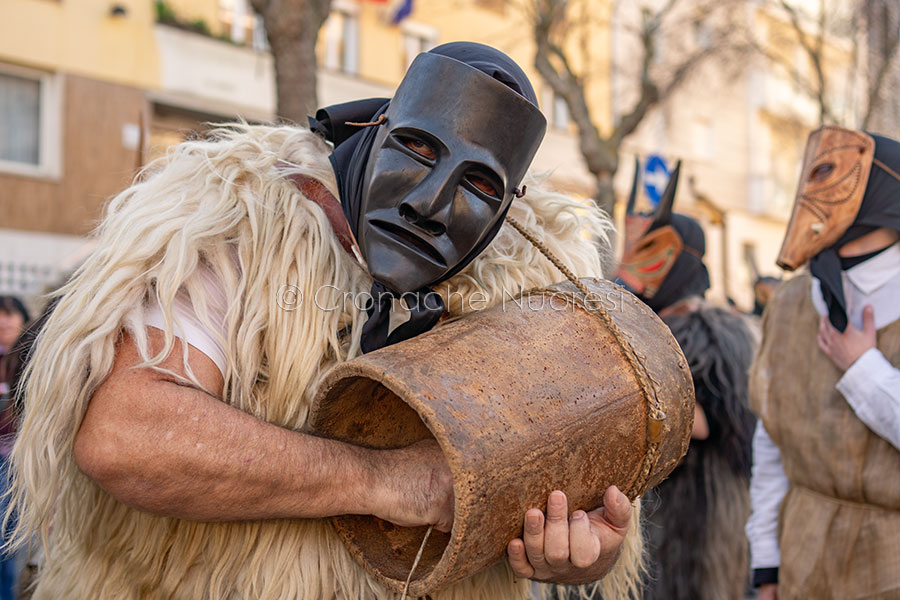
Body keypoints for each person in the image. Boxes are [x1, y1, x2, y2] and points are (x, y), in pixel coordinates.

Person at [7, 43, 642, 600]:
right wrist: (388, 481)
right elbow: (126, 436)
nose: (428, 204)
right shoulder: (240, 217)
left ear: (509, 210)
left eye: (477, 185)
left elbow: (585, 514)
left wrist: (578, 552)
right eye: (416, 148)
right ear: (375, 126)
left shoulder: (532, 295)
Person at [747, 126, 900, 600]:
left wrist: (865, 370)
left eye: (829, 173)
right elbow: (771, 442)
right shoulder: (792, 300)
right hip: (803, 558)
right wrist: (766, 565)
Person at [615, 162, 757, 600]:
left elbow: (711, 422)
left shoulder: (718, 332)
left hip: (700, 514)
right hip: (644, 509)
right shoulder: (644, 324)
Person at [0, 296, 29, 600]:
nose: (5, 321)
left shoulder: (30, 354)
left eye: (11, 315)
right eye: (0, 315)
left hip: (15, 457)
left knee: (7, 537)